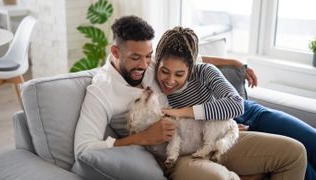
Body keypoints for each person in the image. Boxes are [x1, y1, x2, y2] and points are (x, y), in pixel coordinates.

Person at [74, 16, 307, 180]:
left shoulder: (155, 64)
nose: (145, 65)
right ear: (115, 52)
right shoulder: (100, 92)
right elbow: (84, 149)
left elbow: (189, 58)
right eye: (136, 57)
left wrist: (234, 63)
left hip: (211, 129)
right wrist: (144, 137)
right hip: (176, 155)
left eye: (148, 56)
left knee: (295, 152)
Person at [150, 26, 315, 180]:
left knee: (312, 142)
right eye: (164, 72)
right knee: (303, 166)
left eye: (179, 75)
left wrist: (183, 111)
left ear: (191, 68)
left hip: (247, 113)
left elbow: (236, 104)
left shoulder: (202, 70)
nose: (170, 80)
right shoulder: (151, 73)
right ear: (157, 62)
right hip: (223, 129)